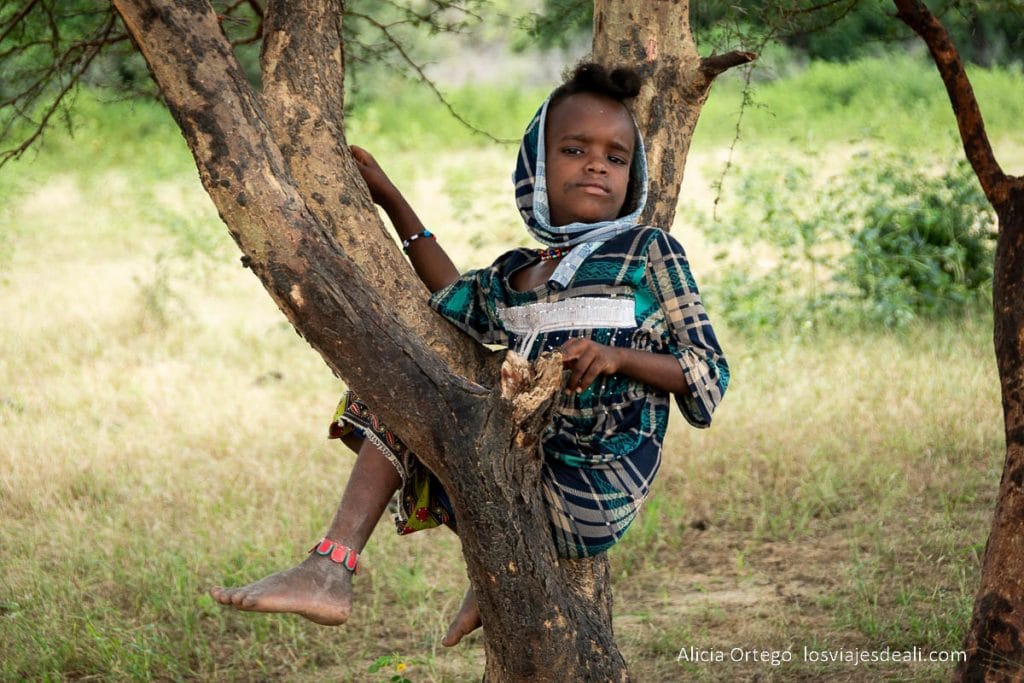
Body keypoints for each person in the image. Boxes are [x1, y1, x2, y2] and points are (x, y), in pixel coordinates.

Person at [210, 62, 729, 647]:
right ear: (535, 165)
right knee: (412, 372)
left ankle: (342, 568)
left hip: (592, 491)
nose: (595, 166)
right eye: (574, 149)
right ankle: (396, 572)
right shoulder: (521, 273)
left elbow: (709, 371)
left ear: (631, 180)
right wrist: (391, 201)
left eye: (615, 158)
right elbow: (452, 301)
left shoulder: (649, 252)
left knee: (419, 388)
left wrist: (620, 357)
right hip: (521, 469)